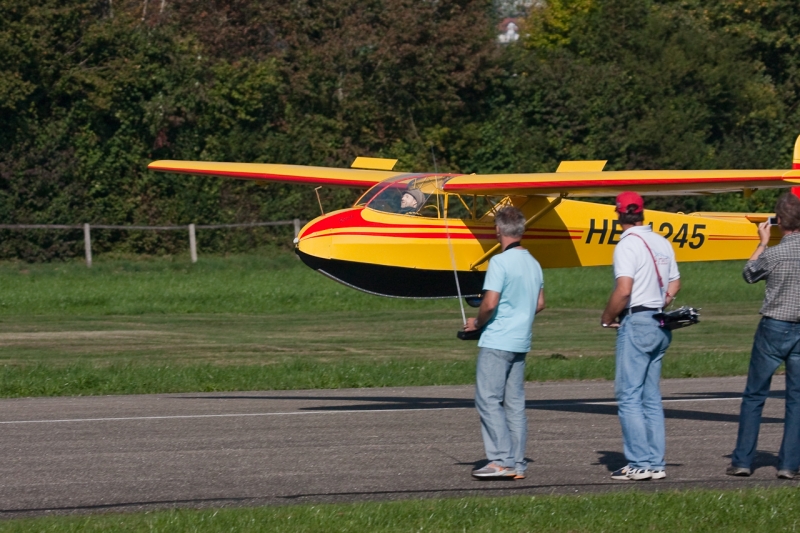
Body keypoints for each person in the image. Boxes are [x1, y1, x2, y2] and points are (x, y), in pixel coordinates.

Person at [600, 191, 680, 481]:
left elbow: (624, 290)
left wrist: (607, 318)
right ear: (642, 213)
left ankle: (639, 463)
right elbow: (675, 282)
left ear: (619, 215)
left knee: (629, 395)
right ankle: (655, 463)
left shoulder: (626, 245)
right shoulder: (662, 242)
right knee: (651, 396)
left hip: (638, 321)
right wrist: (662, 302)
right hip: (659, 322)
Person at [463, 206, 545, 479]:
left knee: (488, 400)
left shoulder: (499, 262)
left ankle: (500, 460)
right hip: (521, 341)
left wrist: (477, 323)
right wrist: (519, 315)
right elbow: (540, 303)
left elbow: (489, 303)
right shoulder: (534, 262)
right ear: (521, 230)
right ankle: (517, 463)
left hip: (498, 340)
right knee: (514, 405)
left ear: (498, 230)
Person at [727, 192, 800, 480]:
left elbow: (748, 273)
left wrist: (762, 242)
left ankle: (743, 460)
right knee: (795, 398)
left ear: (779, 221)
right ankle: (788, 464)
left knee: (755, 395)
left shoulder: (774, 253)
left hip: (774, 325)